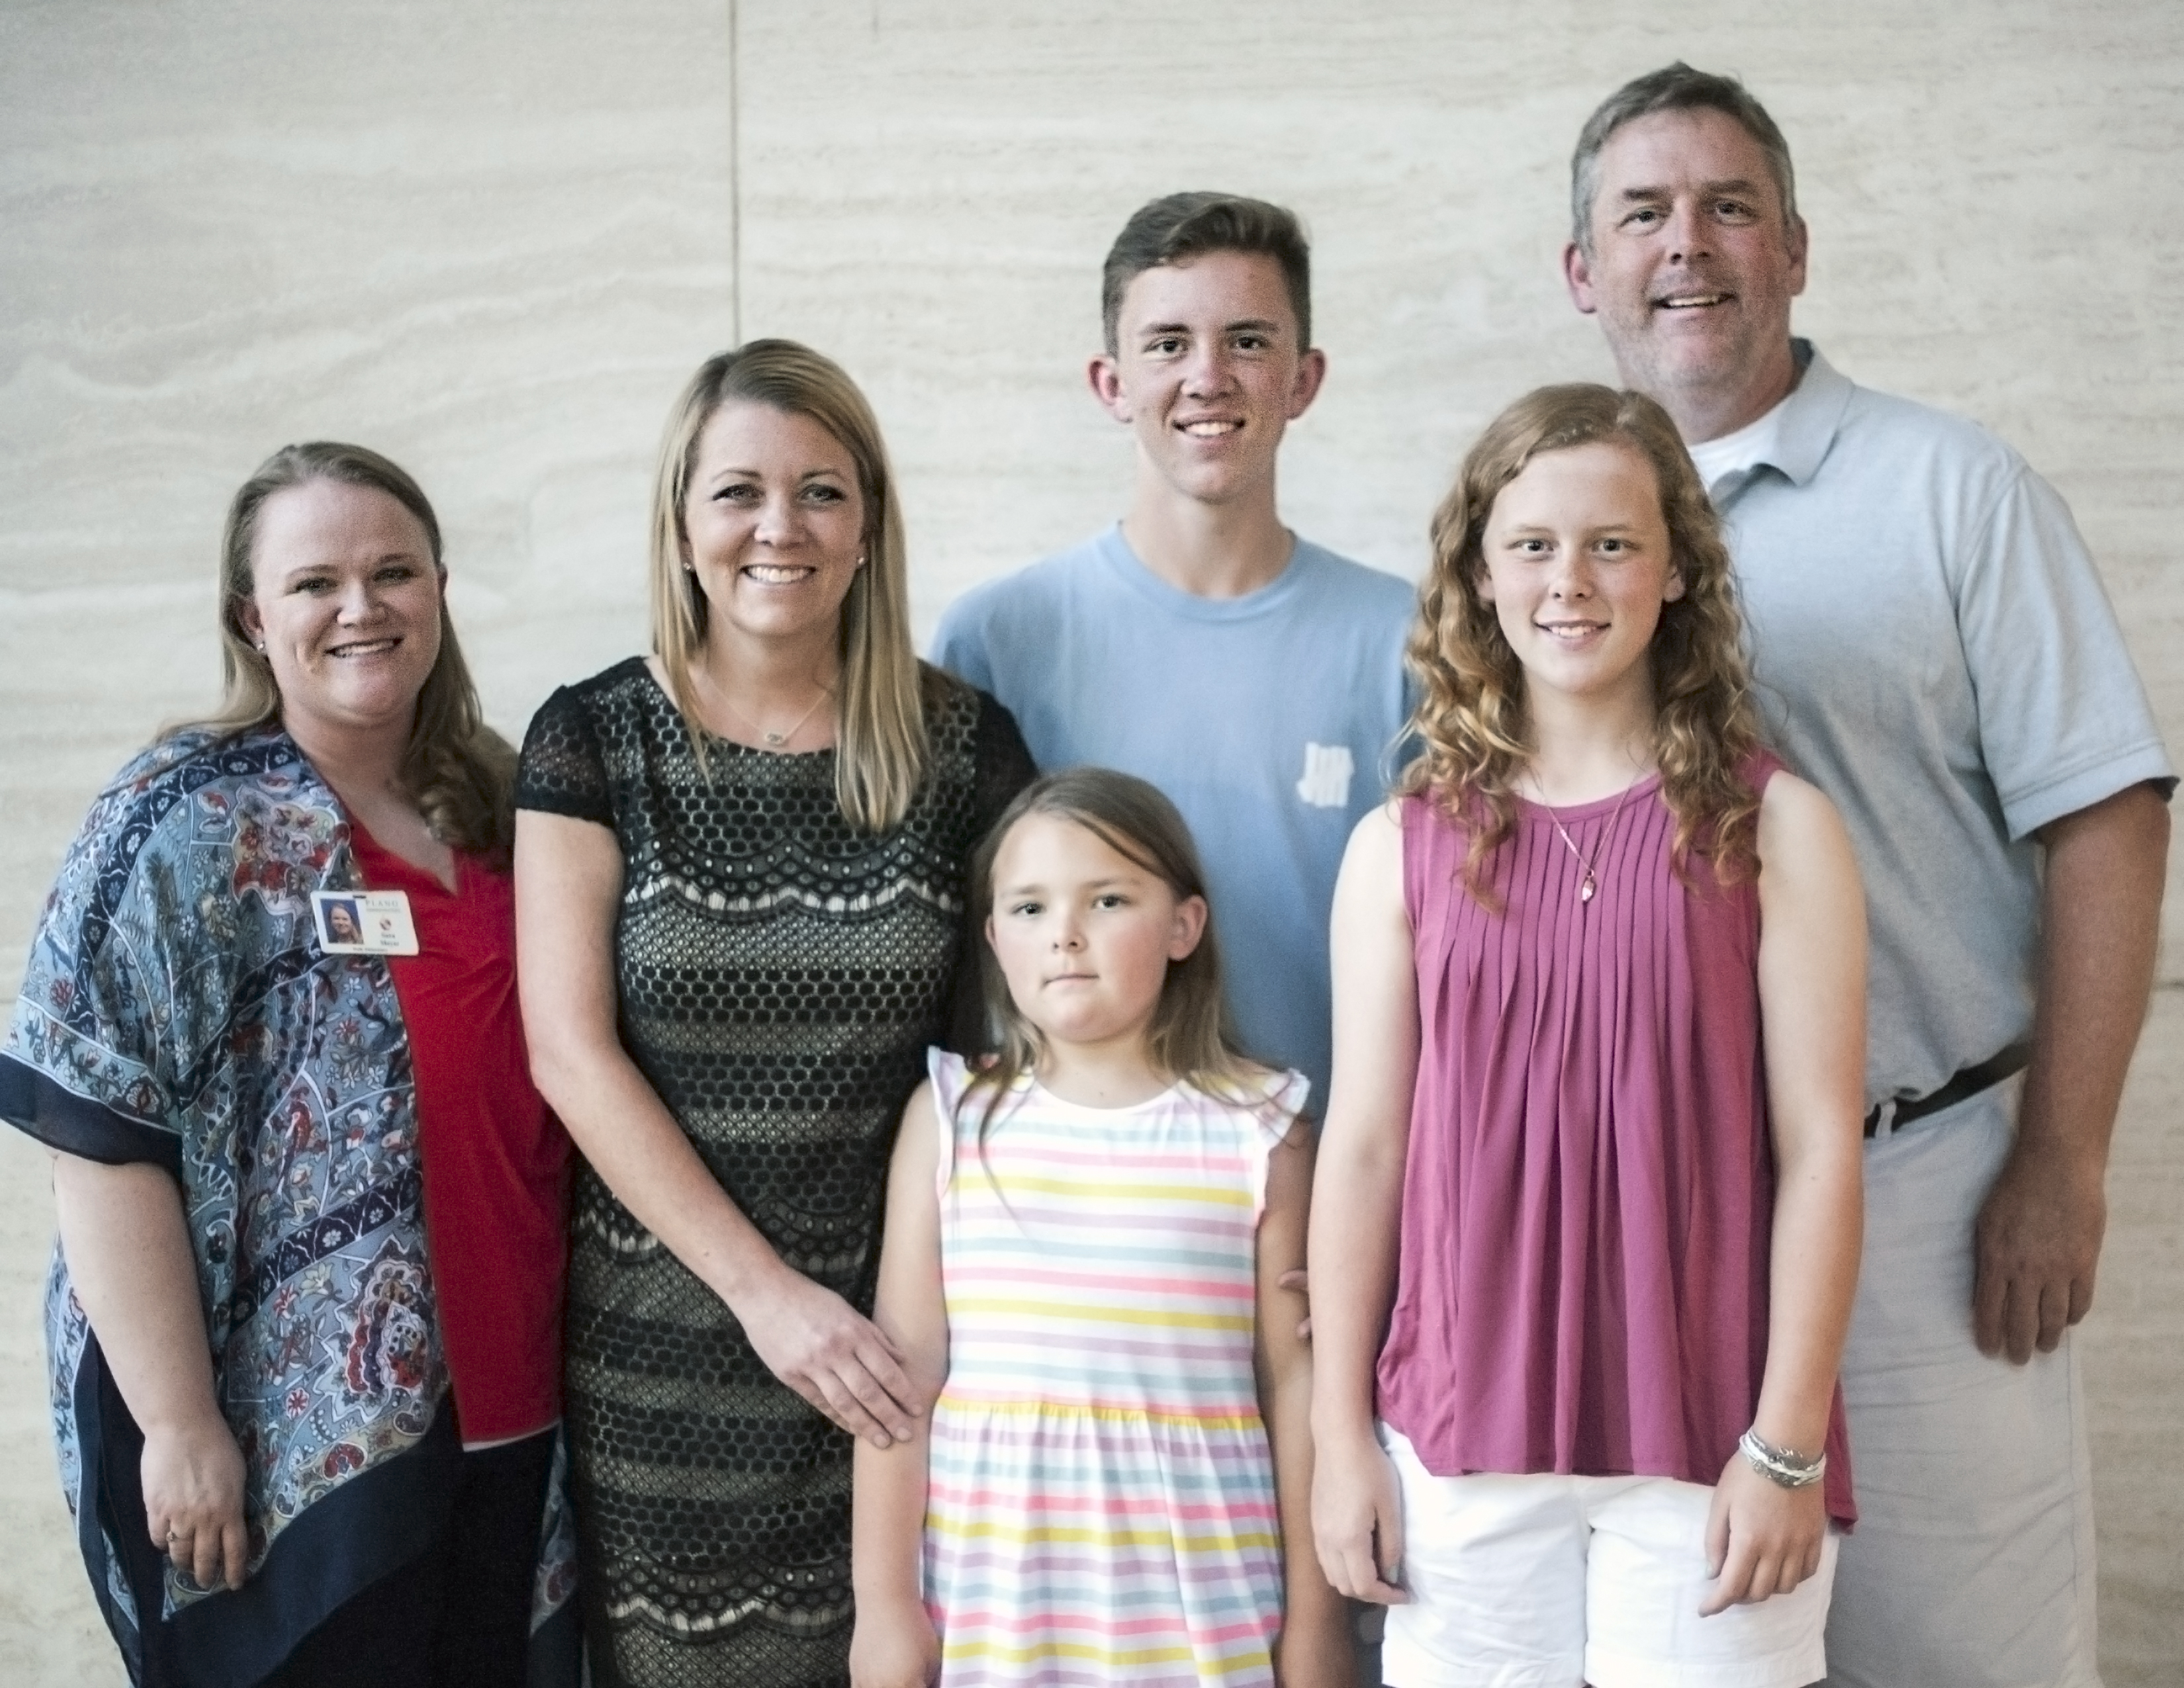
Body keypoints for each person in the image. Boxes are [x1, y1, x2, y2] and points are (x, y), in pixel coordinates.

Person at [1560, 64, 2173, 1687]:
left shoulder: (1952, 494)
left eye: (1729, 207)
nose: (1687, 246)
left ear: (1797, 250)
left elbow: (2108, 817)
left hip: (1921, 1199)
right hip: (1648, 1213)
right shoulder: (1544, 531)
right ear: (1584, 273)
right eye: (1643, 214)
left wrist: (2065, 1159)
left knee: (1964, 1658)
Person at [1309, 385, 1868, 1688]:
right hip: (1458, 1450)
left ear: (1676, 572)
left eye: (1613, 544)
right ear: (1481, 577)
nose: (1572, 580)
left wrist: (1788, 1447)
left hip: (1717, 1447)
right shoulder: (1399, 847)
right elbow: (1366, 1154)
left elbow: (1823, 1152)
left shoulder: (1779, 831)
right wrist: (1343, 1440)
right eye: (1535, 546)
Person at [0, 442, 576, 1687]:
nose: (360, 606)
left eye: (393, 571)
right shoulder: (181, 818)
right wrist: (177, 1421)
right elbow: (96, 1132)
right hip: (287, 1439)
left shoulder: (503, 804)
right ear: (251, 617)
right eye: (316, 581)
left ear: (440, 588)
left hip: (514, 1402)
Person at [514, 340, 1036, 1688]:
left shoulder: (967, 747)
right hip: (668, 1363)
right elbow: (569, 1053)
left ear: (868, 528)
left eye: (821, 491)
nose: (779, 528)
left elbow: (1007, 1058)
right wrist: (769, 1301)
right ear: (683, 524)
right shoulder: (595, 741)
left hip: (901, 1352)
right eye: (739, 491)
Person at [849, 769, 1353, 1688]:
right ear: (996, 938)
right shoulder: (953, 1118)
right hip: (1000, 1615)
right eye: (1031, 907)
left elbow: (1297, 1383)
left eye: (1108, 899)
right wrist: (885, 1609)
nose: (1066, 934)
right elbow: (903, 1382)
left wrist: (1315, 1629)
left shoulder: (1262, 1128)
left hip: (1206, 1609)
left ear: (1182, 926)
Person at [931, 192, 1415, 1107]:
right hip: (1068, 1202)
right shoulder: (995, 639)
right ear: (1110, 383)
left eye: (1247, 340)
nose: (1208, 376)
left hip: (1325, 1207)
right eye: (1166, 344)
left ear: (1304, 379)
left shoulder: (1409, 643)